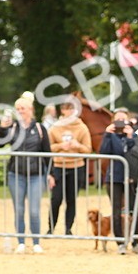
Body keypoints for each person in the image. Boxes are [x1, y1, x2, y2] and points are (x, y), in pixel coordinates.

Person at [0, 92, 51, 253]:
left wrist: (50, 174)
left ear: (31, 109)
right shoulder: (12, 128)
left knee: (34, 210)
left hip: (36, 174)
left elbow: (47, 152)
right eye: (17, 108)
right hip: (16, 174)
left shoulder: (40, 129)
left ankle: (36, 242)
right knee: (18, 209)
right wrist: (2, 128)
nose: (20, 111)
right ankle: (21, 242)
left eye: (23, 108)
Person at [99, 108, 138, 253]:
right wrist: (108, 134)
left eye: (123, 119)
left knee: (134, 209)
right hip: (115, 177)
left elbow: (134, 151)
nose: (120, 123)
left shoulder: (134, 135)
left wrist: (130, 137)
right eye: (117, 119)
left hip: (131, 177)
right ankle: (120, 243)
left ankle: (135, 241)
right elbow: (105, 152)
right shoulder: (110, 135)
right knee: (116, 210)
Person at [47, 95, 92, 236]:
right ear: (62, 110)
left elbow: (88, 149)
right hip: (59, 166)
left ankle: (68, 228)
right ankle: (51, 227)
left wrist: (77, 146)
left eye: (72, 109)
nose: (70, 112)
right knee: (56, 199)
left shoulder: (82, 127)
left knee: (71, 200)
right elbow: (48, 147)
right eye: (67, 109)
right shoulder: (55, 128)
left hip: (76, 166)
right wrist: (61, 146)